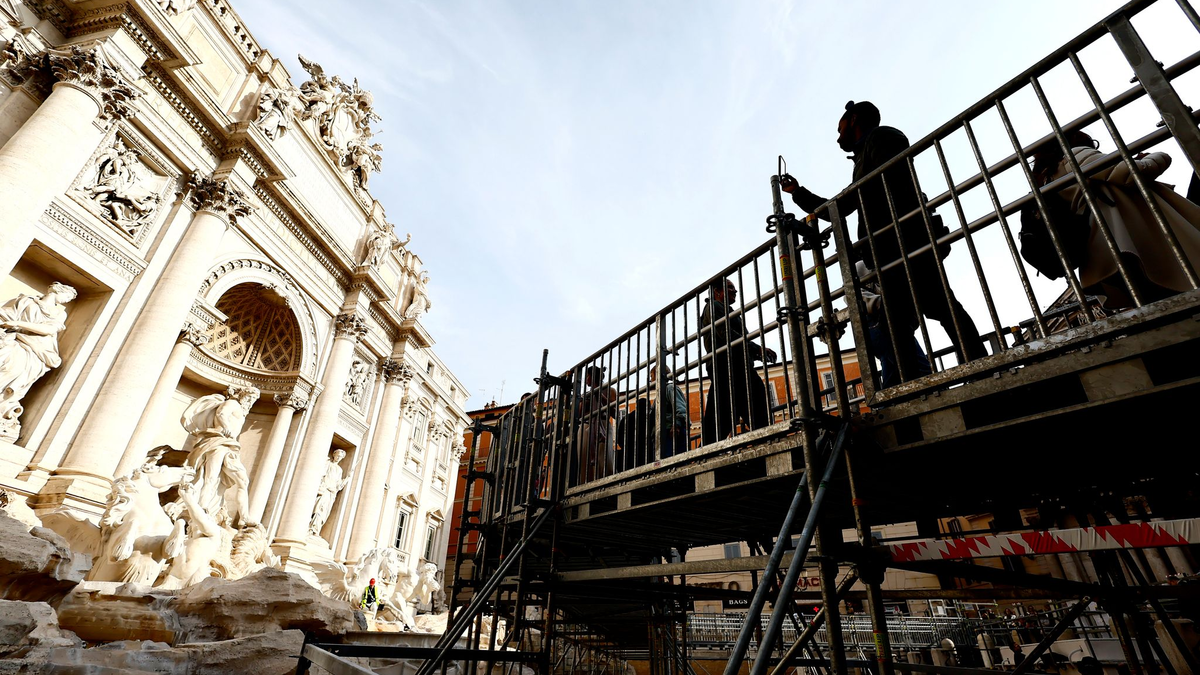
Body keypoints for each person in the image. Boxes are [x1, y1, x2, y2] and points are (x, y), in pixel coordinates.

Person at [781, 100, 986, 380]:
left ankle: (978, 367)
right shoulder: (870, 150)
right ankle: (919, 384)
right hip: (891, 246)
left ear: (853, 119)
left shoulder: (882, 138)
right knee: (906, 320)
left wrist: (803, 195)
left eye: (839, 126)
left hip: (906, 241)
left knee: (938, 308)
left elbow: (850, 201)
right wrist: (798, 192)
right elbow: (849, 202)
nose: (837, 135)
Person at [1031, 129, 1200, 309]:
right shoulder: (1074, 155)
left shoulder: (1048, 179)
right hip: (1125, 241)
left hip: (1099, 251)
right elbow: (1133, 172)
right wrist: (1157, 156)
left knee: (1165, 305)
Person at [700, 278, 776, 443]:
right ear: (716, 292)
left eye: (734, 288)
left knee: (724, 414)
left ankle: (705, 452)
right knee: (750, 404)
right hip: (728, 366)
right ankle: (767, 439)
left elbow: (738, 339)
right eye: (729, 288)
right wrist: (757, 349)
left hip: (732, 365)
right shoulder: (714, 306)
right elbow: (725, 333)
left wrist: (755, 352)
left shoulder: (726, 309)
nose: (735, 291)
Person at [856, 261, 931, 387]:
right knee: (917, 367)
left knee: (893, 368)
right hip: (879, 323)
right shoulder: (861, 266)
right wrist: (881, 304)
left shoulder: (891, 263)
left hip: (892, 323)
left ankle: (889, 404)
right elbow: (850, 293)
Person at [576, 365, 617, 484]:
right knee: (585, 461)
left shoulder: (610, 390)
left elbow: (614, 412)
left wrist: (600, 397)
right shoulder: (586, 395)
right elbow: (579, 415)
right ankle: (585, 485)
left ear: (592, 376)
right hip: (586, 426)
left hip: (603, 423)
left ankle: (606, 484)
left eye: (587, 376)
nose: (586, 380)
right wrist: (585, 401)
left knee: (605, 459)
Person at [650, 365, 690, 458]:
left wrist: (676, 424)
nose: (651, 380)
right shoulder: (659, 395)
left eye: (651, 376)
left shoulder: (670, 388)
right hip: (662, 434)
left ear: (657, 375)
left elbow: (681, 408)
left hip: (671, 432)